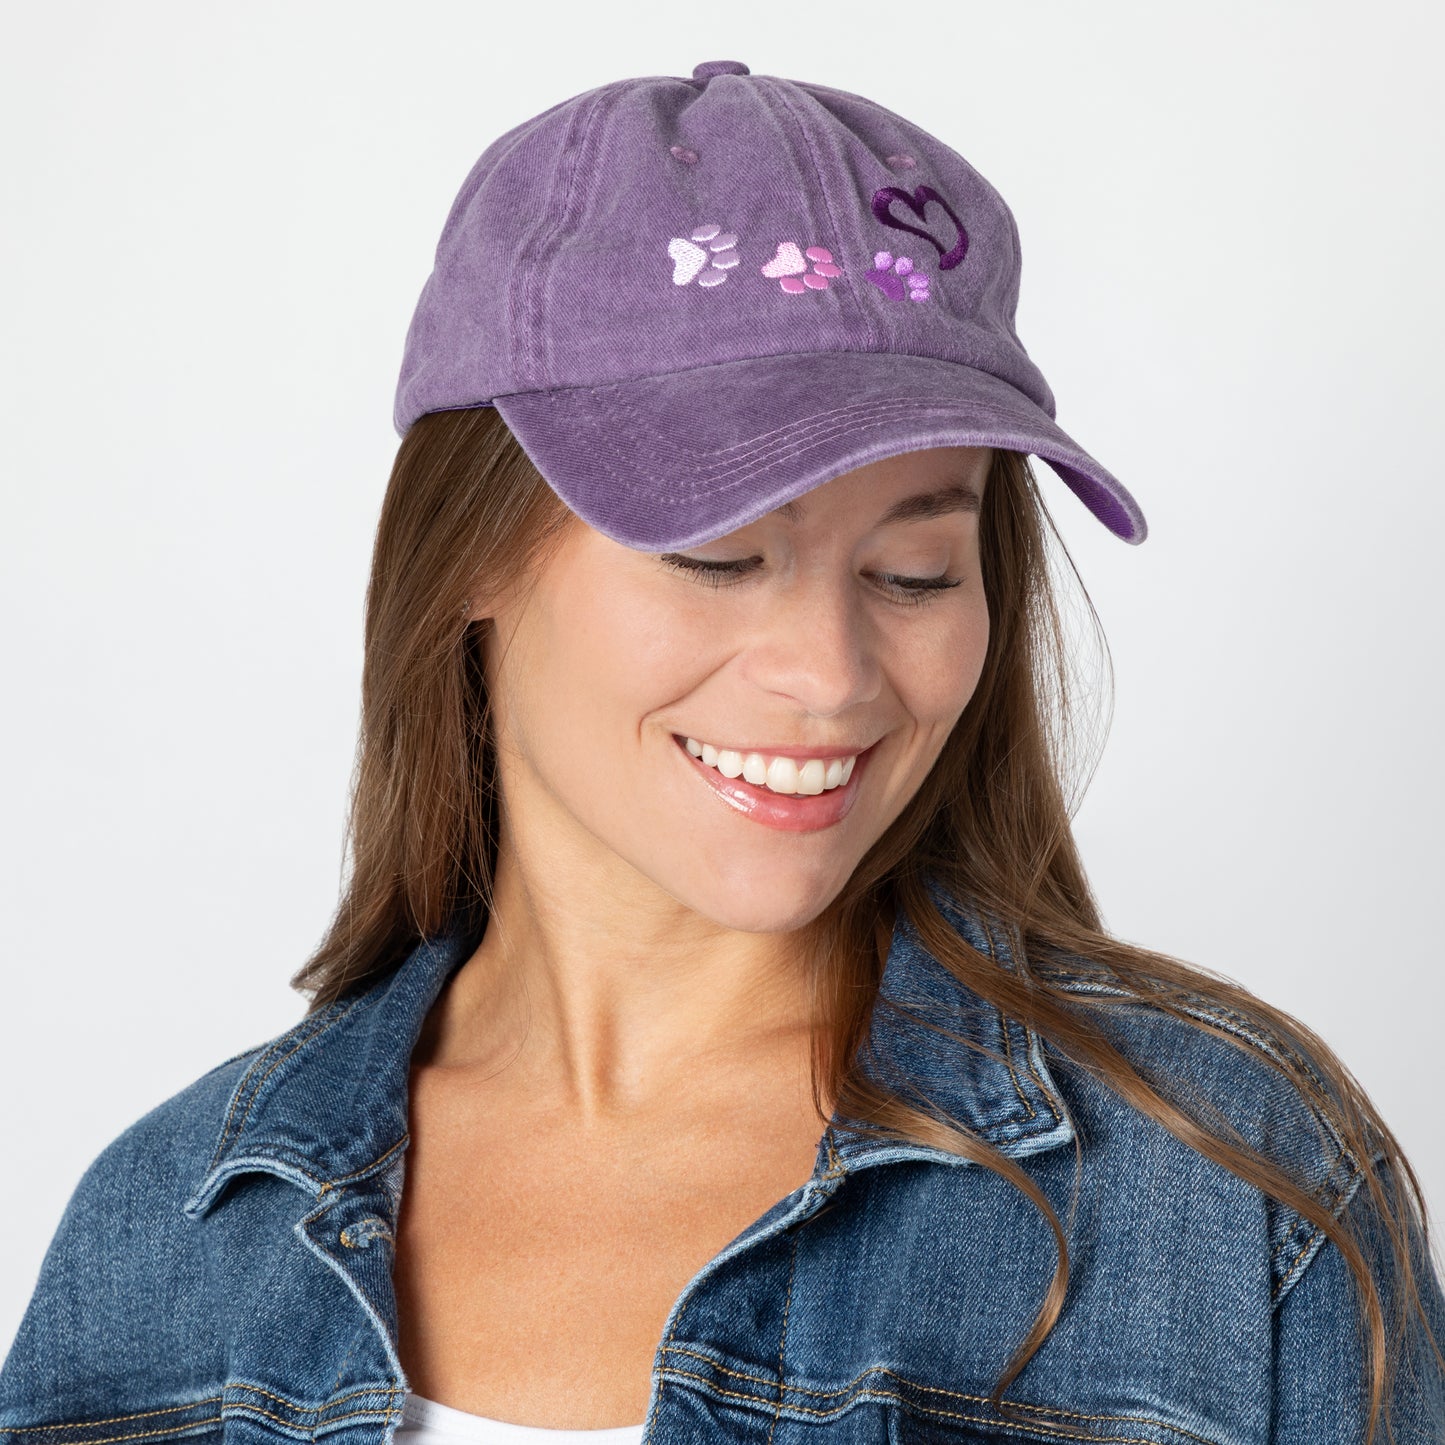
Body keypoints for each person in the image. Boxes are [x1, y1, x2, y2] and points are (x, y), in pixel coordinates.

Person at [2, 56, 1442, 1445]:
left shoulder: (1232, 1189)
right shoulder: (164, 1244)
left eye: (917, 570)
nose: (826, 674)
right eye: (717, 553)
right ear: (469, 556)